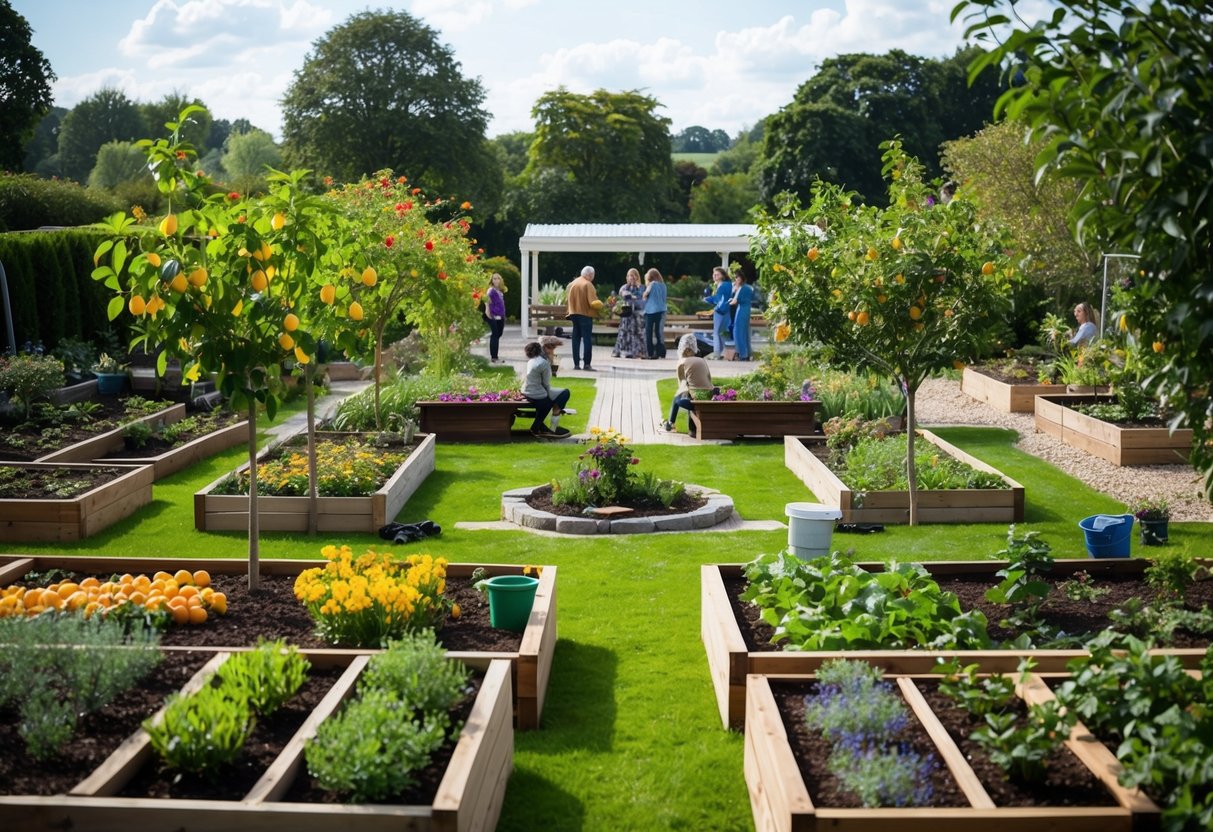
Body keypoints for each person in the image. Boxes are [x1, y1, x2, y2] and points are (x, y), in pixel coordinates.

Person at [661, 333, 716, 437]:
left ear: (684, 350)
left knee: (678, 397)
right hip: (709, 396)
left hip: (696, 400)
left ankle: (670, 424)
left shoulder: (682, 362)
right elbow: (709, 378)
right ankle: (691, 430)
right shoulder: (702, 360)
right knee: (690, 393)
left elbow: (681, 385)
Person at [522, 340, 570, 438]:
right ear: (545, 349)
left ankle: (542, 426)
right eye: (552, 349)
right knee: (564, 393)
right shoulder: (543, 363)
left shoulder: (531, 360)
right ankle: (549, 427)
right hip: (536, 393)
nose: (553, 352)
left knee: (553, 398)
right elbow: (546, 382)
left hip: (526, 391)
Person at [565, 265, 600, 371]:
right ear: (590, 274)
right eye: (593, 275)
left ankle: (576, 364)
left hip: (573, 314)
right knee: (587, 339)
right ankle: (587, 364)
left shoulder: (573, 284)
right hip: (585, 315)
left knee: (575, 339)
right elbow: (593, 303)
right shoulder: (588, 284)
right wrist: (602, 306)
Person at [611, 267, 647, 359]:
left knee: (638, 333)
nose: (632, 277)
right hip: (626, 314)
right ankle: (620, 351)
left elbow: (643, 300)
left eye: (634, 275)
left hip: (637, 314)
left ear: (637, 277)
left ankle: (638, 352)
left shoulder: (642, 287)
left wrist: (634, 297)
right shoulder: (624, 287)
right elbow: (619, 299)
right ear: (627, 277)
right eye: (630, 275)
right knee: (624, 333)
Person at [706, 266, 733, 359]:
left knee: (717, 332)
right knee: (723, 332)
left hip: (720, 311)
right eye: (714, 274)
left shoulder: (723, 285)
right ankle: (726, 352)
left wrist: (707, 299)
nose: (714, 276)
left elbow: (718, 299)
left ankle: (717, 354)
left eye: (717, 274)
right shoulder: (728, 284)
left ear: (722, 275)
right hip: (727, 310)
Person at [641, 267, 668, 359]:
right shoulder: (663, 285)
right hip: (662, 310)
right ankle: (661, 352)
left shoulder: (652, 284)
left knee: (649, 332)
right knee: (658, 332)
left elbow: (645, 295)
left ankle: (650, 353)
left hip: (650, 311)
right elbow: (664, 298)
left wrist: (644, 295)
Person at [728, 273, 754, 361]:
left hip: (742, 310)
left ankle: (743, 354)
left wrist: (727, 302)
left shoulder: (743, 288)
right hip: (744, 309)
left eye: (737, 277)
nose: (736, 279)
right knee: (743, 332)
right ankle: (746, 353)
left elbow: (735, 301)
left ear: (742, 278)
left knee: (738, 332)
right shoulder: (746, 287)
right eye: (735, 278)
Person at [484, 273, 507, 363]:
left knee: (498, 334)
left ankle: (494, 355)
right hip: (492, 316)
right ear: (492, 280)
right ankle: (494, 357)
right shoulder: (491, 291)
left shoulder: (500, 291)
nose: (496, 280)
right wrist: (488, 313)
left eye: (498, 278)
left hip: (500, 316)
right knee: (495, 335)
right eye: (494, 279)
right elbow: (487, 302)